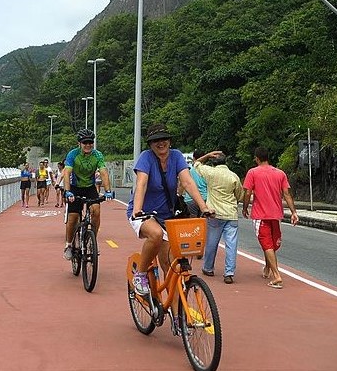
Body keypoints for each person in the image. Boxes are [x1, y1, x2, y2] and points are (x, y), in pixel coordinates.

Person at [126, 124, 212, 296]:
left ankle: (177, 320)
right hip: (145, 213)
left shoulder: (176, 156)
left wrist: (204, 206)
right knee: (156, 234)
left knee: (171, 268)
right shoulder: (146, 158)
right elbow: (141, 184)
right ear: (150, 144)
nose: (161, 143)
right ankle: (141, 274)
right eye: (156, 141)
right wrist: (137, 210)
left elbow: (187, 182)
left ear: (170, 141)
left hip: (168, 216)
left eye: (164, 139)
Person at [242, 146, 299, 289]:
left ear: (256, 158)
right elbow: (286, 194)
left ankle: (276, 275)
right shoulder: (280, 173)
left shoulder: (252, 172)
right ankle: (267, 268)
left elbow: (248, 193)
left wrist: (244, 208)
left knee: (267, 245)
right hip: (276, 214)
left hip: (260, 215)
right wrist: (293, 212)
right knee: (272, 244)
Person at [62, 129, 113, 260]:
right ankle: (68, 245)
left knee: (96, 210)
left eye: (90, 142)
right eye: (85, 142)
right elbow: (67, 173)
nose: (88, 145)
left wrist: (107, 191)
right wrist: (67, 191)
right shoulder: (72, 154)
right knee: (73, 217)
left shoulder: (97, 155)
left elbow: (103, 172)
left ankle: (92, 241)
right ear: (79, 143)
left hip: (89, 187)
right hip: (74, 187)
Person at [194, 151, 243, 284]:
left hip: (215, 213)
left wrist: (208, 155)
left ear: (213, 162)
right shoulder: (233, 176)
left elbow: (196, 164)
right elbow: (239, 195)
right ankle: (229, 273)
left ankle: (208, 267)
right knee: (231, 245)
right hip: (231, 214)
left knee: (212, 242)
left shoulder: (210, 173)